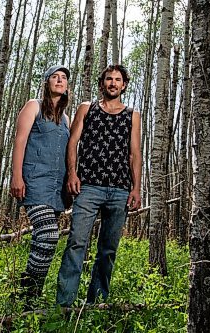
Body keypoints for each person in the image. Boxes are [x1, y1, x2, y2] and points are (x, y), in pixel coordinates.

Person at [56, 64, 142, 307]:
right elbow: (72, 142)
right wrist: (72, 174)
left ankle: (97, 303)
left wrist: (136, 188)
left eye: (117, 80)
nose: (113, 83)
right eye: (108, 79)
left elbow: (135, 153)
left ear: (124, 85)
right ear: (102, 83)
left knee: (108, 249)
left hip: (120, 188)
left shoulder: (132, 115)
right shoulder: (87, 109)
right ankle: (64, 306)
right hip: (89, 187)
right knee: (76, 243)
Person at [10, 65, 71, 302]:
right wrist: (16, 176)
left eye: (63, 78)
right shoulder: (33, 105)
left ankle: (28, 295)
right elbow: (20, 140)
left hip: (56, 188)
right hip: (34, 181)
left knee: (43, 241)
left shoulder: (65, 117)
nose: (59, 80)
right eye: (54, 77)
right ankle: (29, 289)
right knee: (48, 234)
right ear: (47, 82)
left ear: (67, 86)